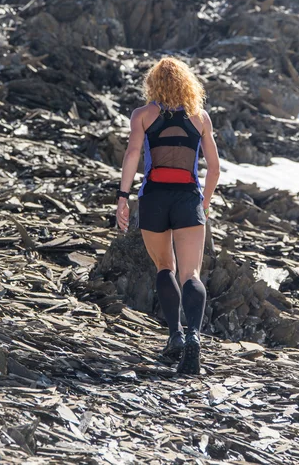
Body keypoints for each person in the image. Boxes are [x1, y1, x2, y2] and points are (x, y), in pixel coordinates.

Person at [116, 57, 220, 374]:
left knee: (165, 267)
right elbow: (214, 168)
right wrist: (203, 203)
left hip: (153, 198)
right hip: (188, 197)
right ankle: (193, 338)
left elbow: (133, 154)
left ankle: (174, 334)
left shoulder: (142, 116)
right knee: (191, 274)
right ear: (188, 84)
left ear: (153, 84)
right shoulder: (200, 118)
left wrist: (122, 198)